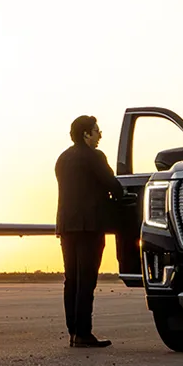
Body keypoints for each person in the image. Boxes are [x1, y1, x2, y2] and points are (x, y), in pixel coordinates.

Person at [55, 113, 129, 347]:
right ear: (86, 134)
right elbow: (113, 184)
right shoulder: (94, 157)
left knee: (71, 280)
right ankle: (83, 333)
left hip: (67, 226)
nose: (100, 136)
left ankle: (73, 332)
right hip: (89, 226)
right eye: (97, 131)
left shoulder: (62, 158)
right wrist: (122, 197)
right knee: (86, 280)